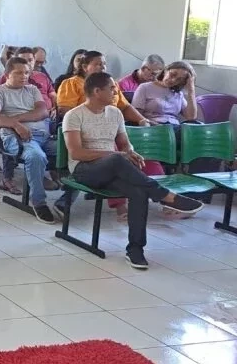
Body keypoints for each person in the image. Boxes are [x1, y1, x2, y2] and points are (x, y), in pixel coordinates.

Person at [63, 71, 203, 269]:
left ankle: (135, 249)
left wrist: (131, 152)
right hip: (84, 170)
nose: (116, 91)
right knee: (116, 159)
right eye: (111, 88)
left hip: (111, 167)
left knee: (138, 191)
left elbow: (124, 144)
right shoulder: (74, 115)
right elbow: (76, 153)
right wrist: (117, 155)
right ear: (96, 91)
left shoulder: (115, 113)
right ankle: (165, 196)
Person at [0, 57, 58, 223]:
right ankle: (39, 202)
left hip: (43, 136)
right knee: (35, 156)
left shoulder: (32, 90)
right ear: (7, 74)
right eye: (18, 73)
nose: (24, 76)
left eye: (26, 72)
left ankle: (64, 202)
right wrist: (16, 126)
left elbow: (43, 112)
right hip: (17, 138)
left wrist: (16, 120)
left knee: (72, 150)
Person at [57, 51, 150, 126]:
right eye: (98, 64)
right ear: (85, 67)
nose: (103, 67)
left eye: (104, 64)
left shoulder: (111, 83)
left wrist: (142, 120)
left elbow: (125, 107)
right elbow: (66, 110)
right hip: (84, 128)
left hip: (113, 127)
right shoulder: (71, 83)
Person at [132, 61, 198, 126]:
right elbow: (136, 115)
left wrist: (191, 90)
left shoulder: (178, 94)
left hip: (174, 128)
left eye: (179, 79)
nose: (173, 80)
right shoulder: (145, 87)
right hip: (153, 127)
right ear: (166, 70)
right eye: (172, 74)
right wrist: (153, 124)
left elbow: (191, 117)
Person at [0, 46, 57, 114]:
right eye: (22, 60)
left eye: (30, 60)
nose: (27, 63)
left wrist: (55, 109)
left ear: (34, 60)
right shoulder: (8, 76)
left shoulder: (42, 76)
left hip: (48, 116)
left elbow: (53, 96)